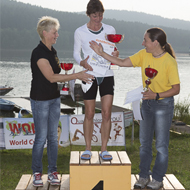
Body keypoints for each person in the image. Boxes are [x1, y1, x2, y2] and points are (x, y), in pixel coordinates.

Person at [90, 27, 180, 189]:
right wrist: (101, 53)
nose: (142, 43)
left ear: (155, 42)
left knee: (161, 145)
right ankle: (144, 176)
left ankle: (158, 179)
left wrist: (157, 95)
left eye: (145, 40)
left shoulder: (169, 61)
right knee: (144, 143)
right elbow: (122, 62)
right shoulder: (143, 54)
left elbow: (176, 89)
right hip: (146, 104)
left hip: (163, 105)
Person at [30, 16, 94, 187]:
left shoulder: (52, 51)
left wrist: (80, 66)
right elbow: (51, 77)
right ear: (44, 33)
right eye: (54, 32)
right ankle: (37, 171)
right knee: (41, 137)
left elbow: (57, 76)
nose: (57, 34)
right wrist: (77, 75)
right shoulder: (38, 53)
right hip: (40, 100)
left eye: (56, 31)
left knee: (53, 137)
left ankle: (52, 171)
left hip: (53, 99)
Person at [73, 0, 118, 161]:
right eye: (94, 15)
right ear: (88, 14)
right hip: (89, 75)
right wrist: (82, 62)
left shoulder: (110, 29)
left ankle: (104, 149)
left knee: (106, 113)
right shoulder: (80, 31)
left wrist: (115, 55)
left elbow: (113, 51)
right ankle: (87, 148)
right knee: (90, 113)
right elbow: (76, 53)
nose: (98, 19)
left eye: (100, 15)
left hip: (106, 75)